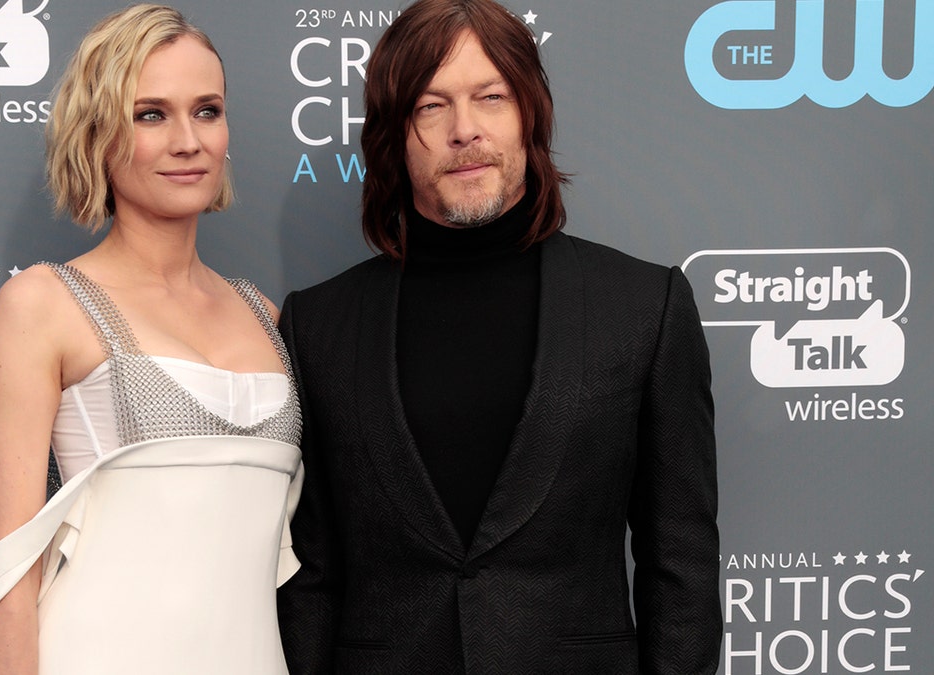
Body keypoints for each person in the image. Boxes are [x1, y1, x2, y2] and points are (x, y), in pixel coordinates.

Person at [276, 0, 720, 672]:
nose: (464, 130)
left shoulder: (646, 307)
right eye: (431, 106)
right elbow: (311, 575)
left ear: (530, 114)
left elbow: (680, 562)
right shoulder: (318, 324)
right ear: (394, 134)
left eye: (491, 97)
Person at [0, 5, 302, 673]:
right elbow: (10, 572)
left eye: (207, 110)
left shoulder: (263, 312)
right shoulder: (44, 304)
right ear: (98, 135)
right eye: (151, 114)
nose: (189, 140)